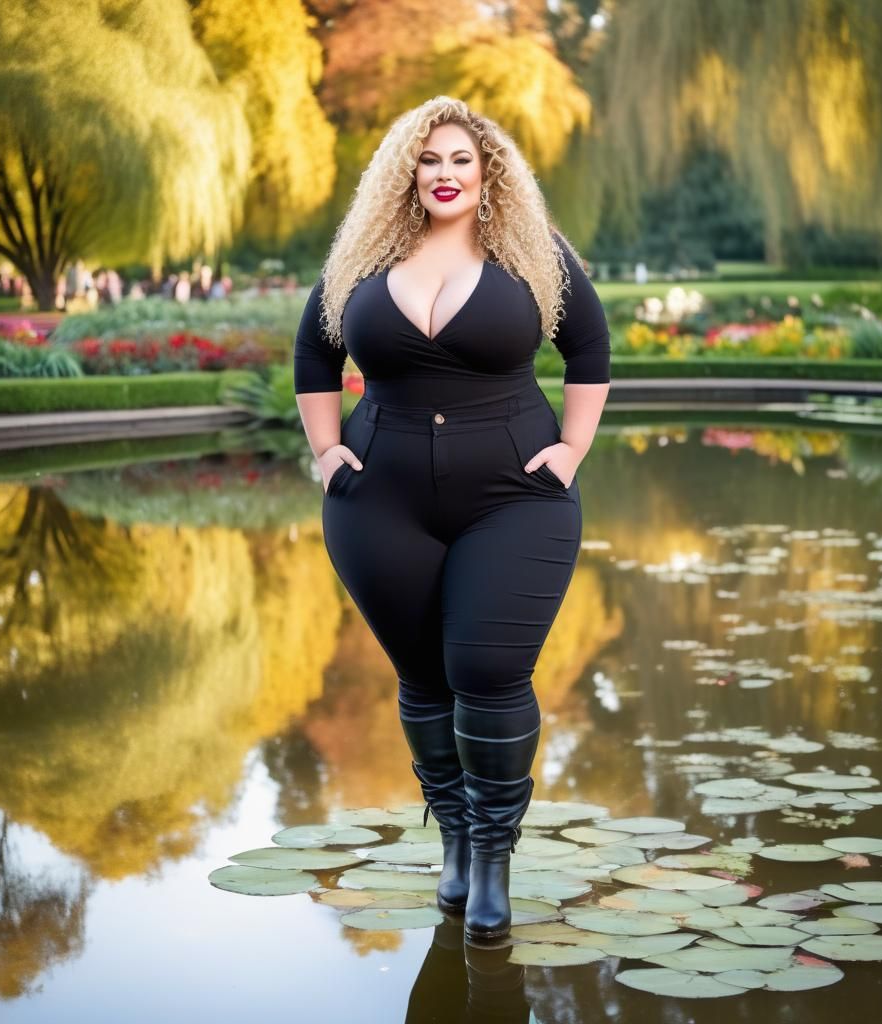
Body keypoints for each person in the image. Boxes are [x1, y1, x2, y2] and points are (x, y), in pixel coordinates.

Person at [293, 96, 610, 943]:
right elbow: (315, 350)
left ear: (488, 171)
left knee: (488, 669)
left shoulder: (534, 255)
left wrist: (573, 447)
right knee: (424, 678)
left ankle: (495, 858)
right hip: (380, 503)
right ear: (405, 173)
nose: (444, 173)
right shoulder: (362, 259)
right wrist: (325, 451)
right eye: (428, 159)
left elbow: (588, 346)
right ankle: (457, 842)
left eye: (461, 159)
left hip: (515, 498)